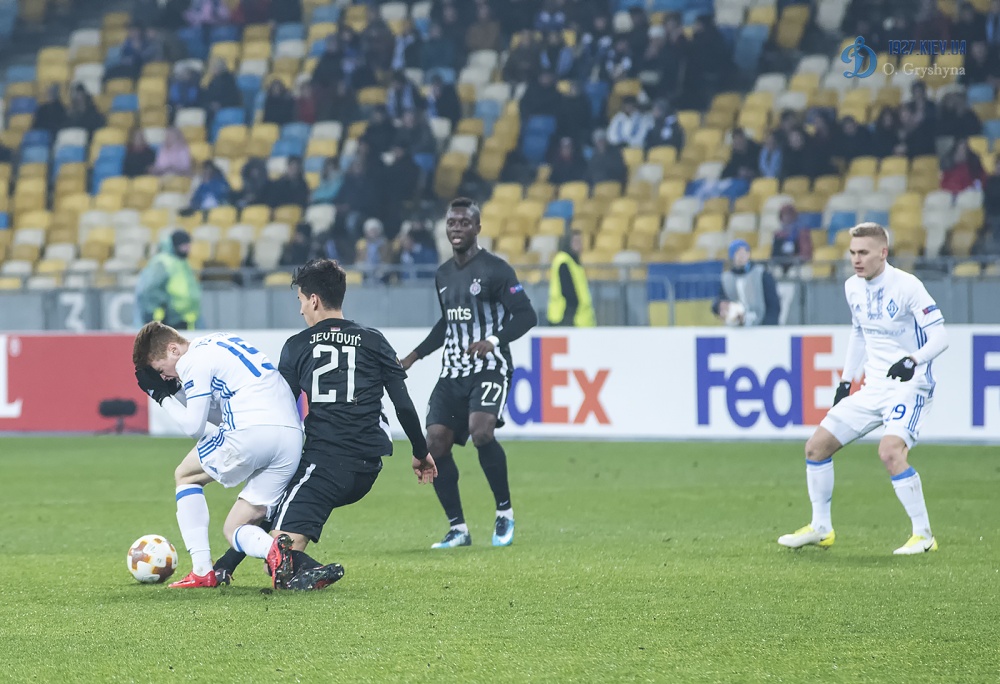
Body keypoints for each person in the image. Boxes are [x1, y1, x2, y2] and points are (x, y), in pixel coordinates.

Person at [212, 259, 437, 588]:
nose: (301, 309)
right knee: (281, 497)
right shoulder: (374, 340)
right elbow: (403, 404)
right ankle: (224, 566)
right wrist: (420, 452)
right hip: (367, 467)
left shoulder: (297, 346)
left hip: (324, 464)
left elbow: (280, 411)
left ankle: (310, 569)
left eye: (301, 300)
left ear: (314, 300)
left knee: (276, 561)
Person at [777, 222, 949, 555]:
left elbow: (941, 336)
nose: (856, 259)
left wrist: (913, 360)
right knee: (816, 447)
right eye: (853, 252)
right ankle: (821, 528)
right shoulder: (852, 287)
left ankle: (924, 536)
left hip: (910, 385)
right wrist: (846, 380)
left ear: (883, 253)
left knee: (890, 452)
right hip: (873, 387)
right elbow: (859, 332)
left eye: (864, 253)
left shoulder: (908, 286)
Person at [400, 198, 538, 549]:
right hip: (452, 372)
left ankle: (504, 512)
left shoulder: (496, 269)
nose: (457, 228)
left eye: (464, 223)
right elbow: (448, 323)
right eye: (452, 223)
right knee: (435, 443)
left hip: (490, 368)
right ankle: (458, 528)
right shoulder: (443, 274)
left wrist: (493, 341)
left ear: (478, 227)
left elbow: (526, 315)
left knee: (481, 432)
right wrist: (414, 356)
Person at [131, 322, 302, 588]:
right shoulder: (219, 342)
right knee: (235, 527)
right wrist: (174, 391)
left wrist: (162, 396)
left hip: (251, 430)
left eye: (162, 370)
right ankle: (275, 550)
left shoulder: (191, 361)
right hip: (291, 437)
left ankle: (202, 571)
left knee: (185, 475)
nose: (165, 377)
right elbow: (220, 413)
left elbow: (193, 427)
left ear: (173, 349)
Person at [135, 230, 201, 329]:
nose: (188, 248)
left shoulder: (182, 262)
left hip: (184, 318)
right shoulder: (162, 262)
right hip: (169, 318)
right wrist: (162, 310)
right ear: (175, 245)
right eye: (184, 245)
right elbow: (151, 289)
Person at [712, 239, 780, 326]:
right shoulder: (727, 278)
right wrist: (719, 306)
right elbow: (720, 300)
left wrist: (768, 325)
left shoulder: (761, 274)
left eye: (745, 252)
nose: (742, 255)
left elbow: (773, 303)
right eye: (738, 253)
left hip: (761, 324)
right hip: (736, 326)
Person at [547, 229, 595, 327]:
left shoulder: (574, 262)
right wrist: (570, 316)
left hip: (579, 319)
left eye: (580, 242)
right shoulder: (563, 261)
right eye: (576, 242)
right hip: (565, 317)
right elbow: (568, 292)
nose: (579, 245)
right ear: (568, 242)